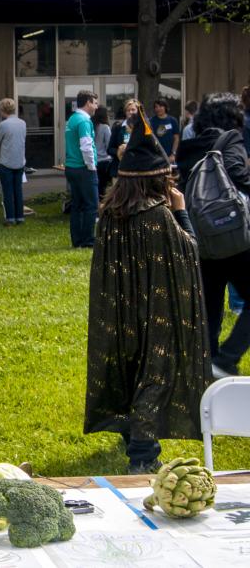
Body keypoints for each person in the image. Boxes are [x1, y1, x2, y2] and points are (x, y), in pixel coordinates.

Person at [85, 115, 210, 474]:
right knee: (154, 371)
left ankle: (133, 435)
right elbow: (190, 252)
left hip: (120, 310)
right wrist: (182, 212)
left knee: (128, 367)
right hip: (155, 308)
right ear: (157, 179)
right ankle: (142, 454)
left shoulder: (110, 213)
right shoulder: (158, 215)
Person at [176, 92, 250, 379]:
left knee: (210, 306)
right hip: (230, 234)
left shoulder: (189, 146)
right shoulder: (230, 139)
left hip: (201, 236)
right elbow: (234, 173)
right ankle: (226, 360)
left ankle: (203, 365)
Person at [64, 90, 99, 248]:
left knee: (77, 205)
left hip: (71, 167)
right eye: (95, 103)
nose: (96, 107)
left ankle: (77, 240)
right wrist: (91, 167)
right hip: (83, 168)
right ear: (88, 102)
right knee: (91, 205)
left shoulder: (72, 119)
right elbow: (86, 146)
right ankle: (88, 240)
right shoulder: (84, 121)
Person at [0, 97, 26, 225]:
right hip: (20, 161)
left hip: (6, 162)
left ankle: (10, 218)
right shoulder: (22, 123)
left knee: (8, 191)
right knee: (18, 190)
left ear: (2, 110)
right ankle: (20, 217)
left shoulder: (3, 125)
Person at [106, 98, 141, 178]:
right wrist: (120, 151)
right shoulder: (118, 127)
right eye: (128, 110)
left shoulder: (144, 128)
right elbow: (110, 149)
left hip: (138, 171)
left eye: (133, 109)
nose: (130, 112)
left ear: (138, 111)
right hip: (119, 170)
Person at [149, 97, 180, 162]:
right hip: (155, 157)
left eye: (160, 106)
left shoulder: (172, 120)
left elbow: (176, 138)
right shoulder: (151, 121)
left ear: (165, 107)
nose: (158, 109)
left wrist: (173, 154)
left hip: (170, 157)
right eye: (156, 107)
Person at [93, 106, 112, 198]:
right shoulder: (105, 127)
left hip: (93, 160)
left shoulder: (92, 126)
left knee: (96, 186)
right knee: (103, 187)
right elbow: (109, 144)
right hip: (104, 160)